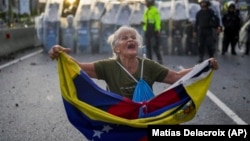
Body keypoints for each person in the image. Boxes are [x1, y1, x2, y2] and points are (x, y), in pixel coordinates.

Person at [48, 25, 219, 100]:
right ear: (117, 49)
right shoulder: (108, 67)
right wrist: (58, 53)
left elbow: (176, 77)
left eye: (133, 38)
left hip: (145, 117)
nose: (131, 40)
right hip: (119, 118)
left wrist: (204, 66)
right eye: (124, 38)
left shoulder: (148, 65)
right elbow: (77, 68)